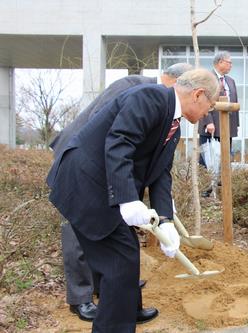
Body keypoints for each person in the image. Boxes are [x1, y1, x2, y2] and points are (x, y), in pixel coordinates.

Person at [46, 68, 219, 332]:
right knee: (121, 263)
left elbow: (161, 175)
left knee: (121, 264)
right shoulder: (149, 98)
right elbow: (119, 143)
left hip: (103, 188)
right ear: (198, 94)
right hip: (86, 184)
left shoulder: (173, 125)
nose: (209, 112)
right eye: (211, 105)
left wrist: (165, 220)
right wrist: (127, 200)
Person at [198, 51, 239, 196]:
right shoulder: (207, 78)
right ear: (220, 62)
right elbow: (202, 100)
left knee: (224, 157)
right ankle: (205, 188)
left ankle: (221, 186)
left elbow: (234, 103)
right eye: (229, 62)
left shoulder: (230, 81)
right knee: (207, 157)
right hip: (211, 125)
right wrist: (207, 121)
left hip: (227, 126)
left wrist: (236, 124)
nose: (231, 65)